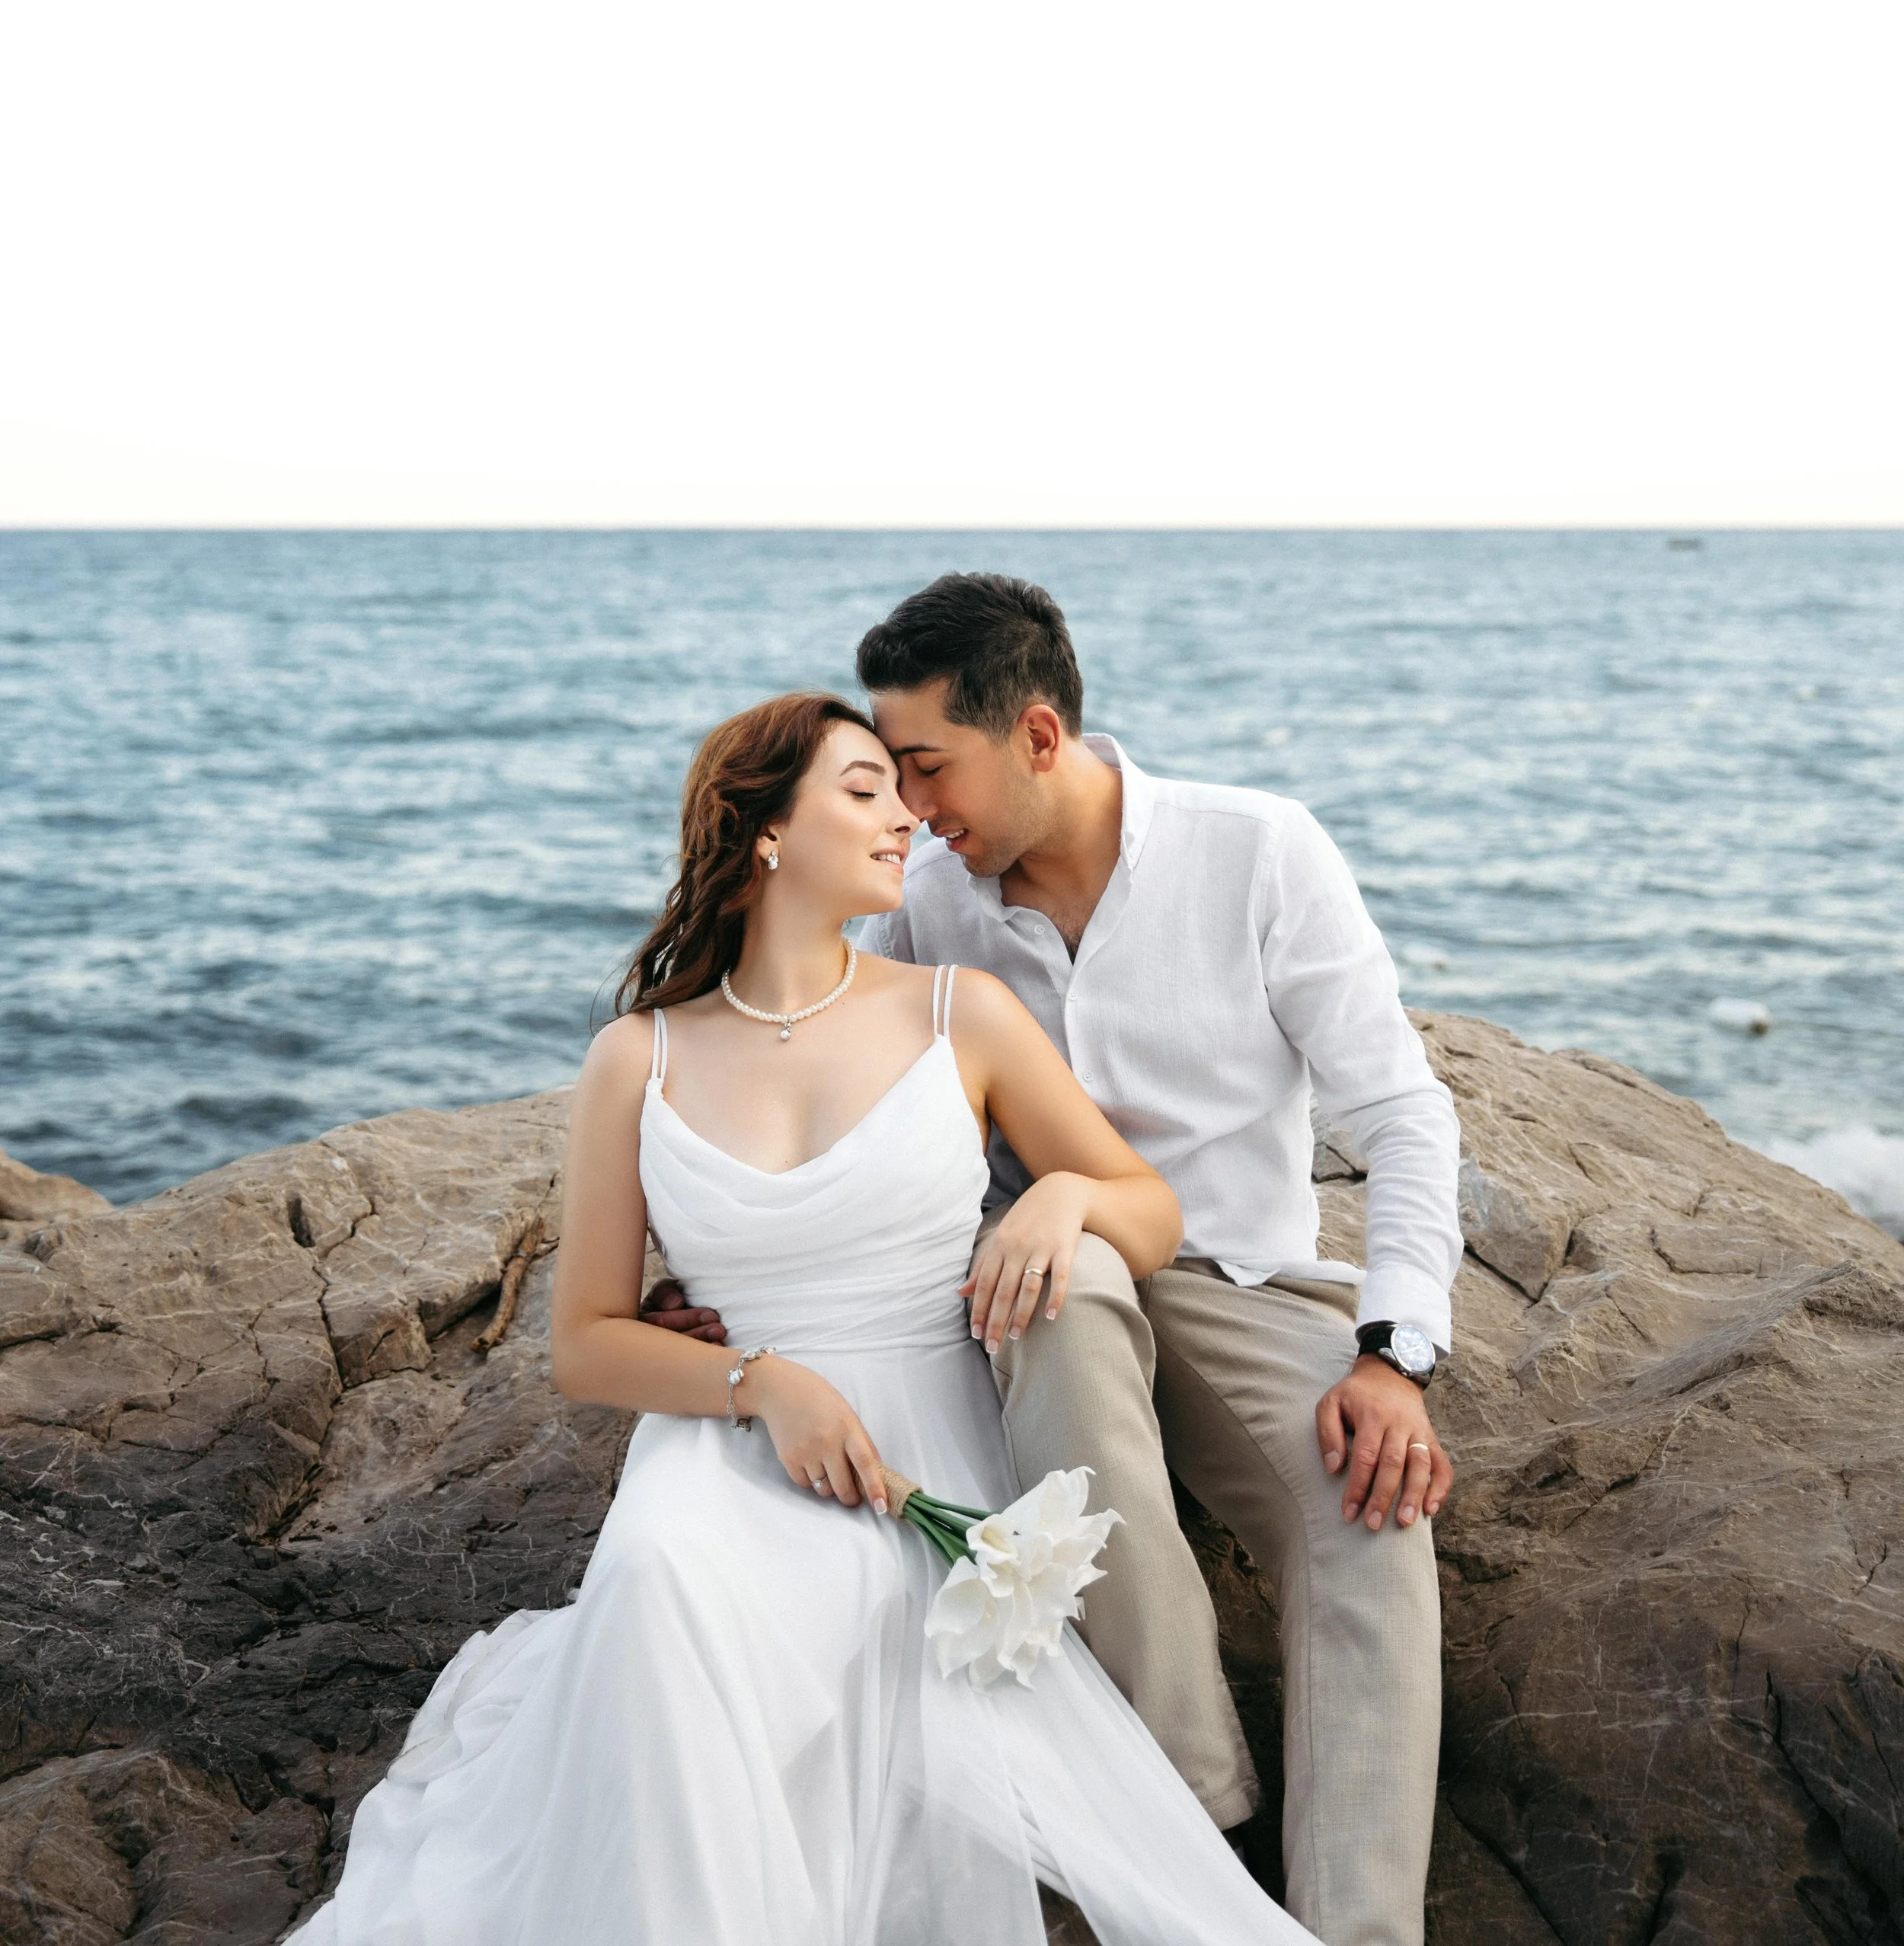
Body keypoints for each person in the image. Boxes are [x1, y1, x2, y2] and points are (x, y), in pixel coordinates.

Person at [299, 692, 1317, 1946]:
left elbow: (1147, 1206)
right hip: (729, 1443)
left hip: (924, 1444)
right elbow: (587, 1340)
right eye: (864, 789)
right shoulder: (642, 1055)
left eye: (905, 787)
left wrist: (1062, 1197)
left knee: (887, 1641)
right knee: (664, 1582)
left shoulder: (957, 1013)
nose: (907, 815)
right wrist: (759, 1384)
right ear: (766, 830)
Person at [851, 574, 1462, 1946]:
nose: (908, 804)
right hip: (1040, 1284)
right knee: (1060, 1303)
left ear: (1041, 735)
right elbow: (846, 1090)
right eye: (889, 772)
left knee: (1374, 1508)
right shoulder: (927, 900)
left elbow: (1402, 1111)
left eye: (927, 765)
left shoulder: (1258, 849)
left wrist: (1396, 1349)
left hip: (1245, 1280)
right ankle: (1194, 1825)